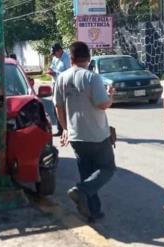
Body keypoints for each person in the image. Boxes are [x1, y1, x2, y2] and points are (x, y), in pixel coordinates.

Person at [53, 41, 115, 222]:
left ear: (71, 58)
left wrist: (65, 128)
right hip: (97, 136)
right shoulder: (92, 77)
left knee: (87, 175)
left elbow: (58, 108)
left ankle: (92, 211)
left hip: (76, 136)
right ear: (88, 58)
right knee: (108, 169)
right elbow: (102, 104)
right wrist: (111, 95)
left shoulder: (62, 78)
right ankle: (81, 191)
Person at [47, 42, 71, 136]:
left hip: (64, 86)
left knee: (65, 108)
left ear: (60, 50)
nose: (54, 55)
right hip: (55, 84)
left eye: (55, 53)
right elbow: (52, 67)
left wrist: (55, 73)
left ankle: (67, 129)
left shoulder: (67, 58)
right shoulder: (55, 58)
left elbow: (68, 72)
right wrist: (50, 70)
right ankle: (60, 129)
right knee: (55, 107)